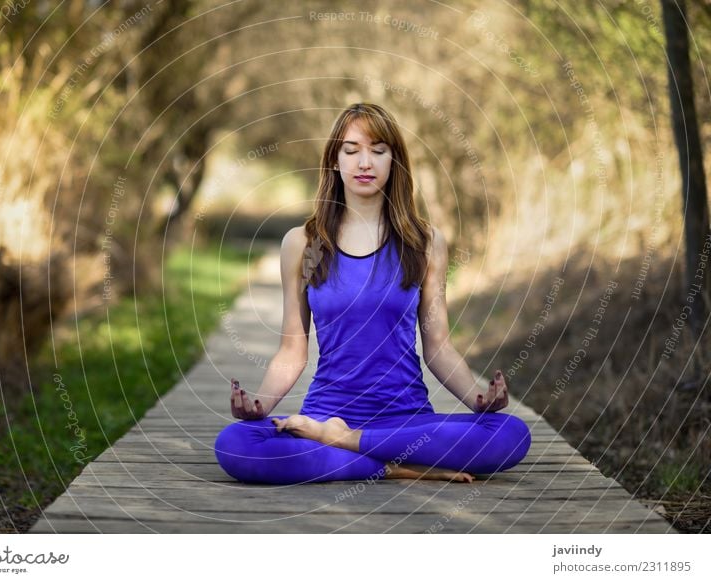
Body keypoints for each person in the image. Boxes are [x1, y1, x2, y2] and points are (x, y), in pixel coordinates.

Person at [214, 103, 531, 485]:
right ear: (334, 160)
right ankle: (390, 465)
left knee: (510, 435)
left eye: (378, 151)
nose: (365, 162)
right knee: (235, 443)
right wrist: (260, 404)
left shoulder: (424, 242)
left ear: (394, 160)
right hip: (325, 414)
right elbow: (291, 351)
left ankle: (348, 444)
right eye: (351, 150)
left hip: (407, 419)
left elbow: (439, 346)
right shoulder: (303, 244)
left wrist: (478, 400)